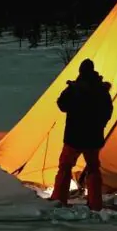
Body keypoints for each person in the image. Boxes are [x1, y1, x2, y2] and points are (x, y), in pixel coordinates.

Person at [48, 58, 113, 210]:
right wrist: (100, 125)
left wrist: (71, 90)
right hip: (93, 138)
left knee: (65, 167)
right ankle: (95, 203)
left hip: (74, 137)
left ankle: (59, 199)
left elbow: (62, 104)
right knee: (93, 169)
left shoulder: (75, 89)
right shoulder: (101, 90)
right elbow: (107, 111)